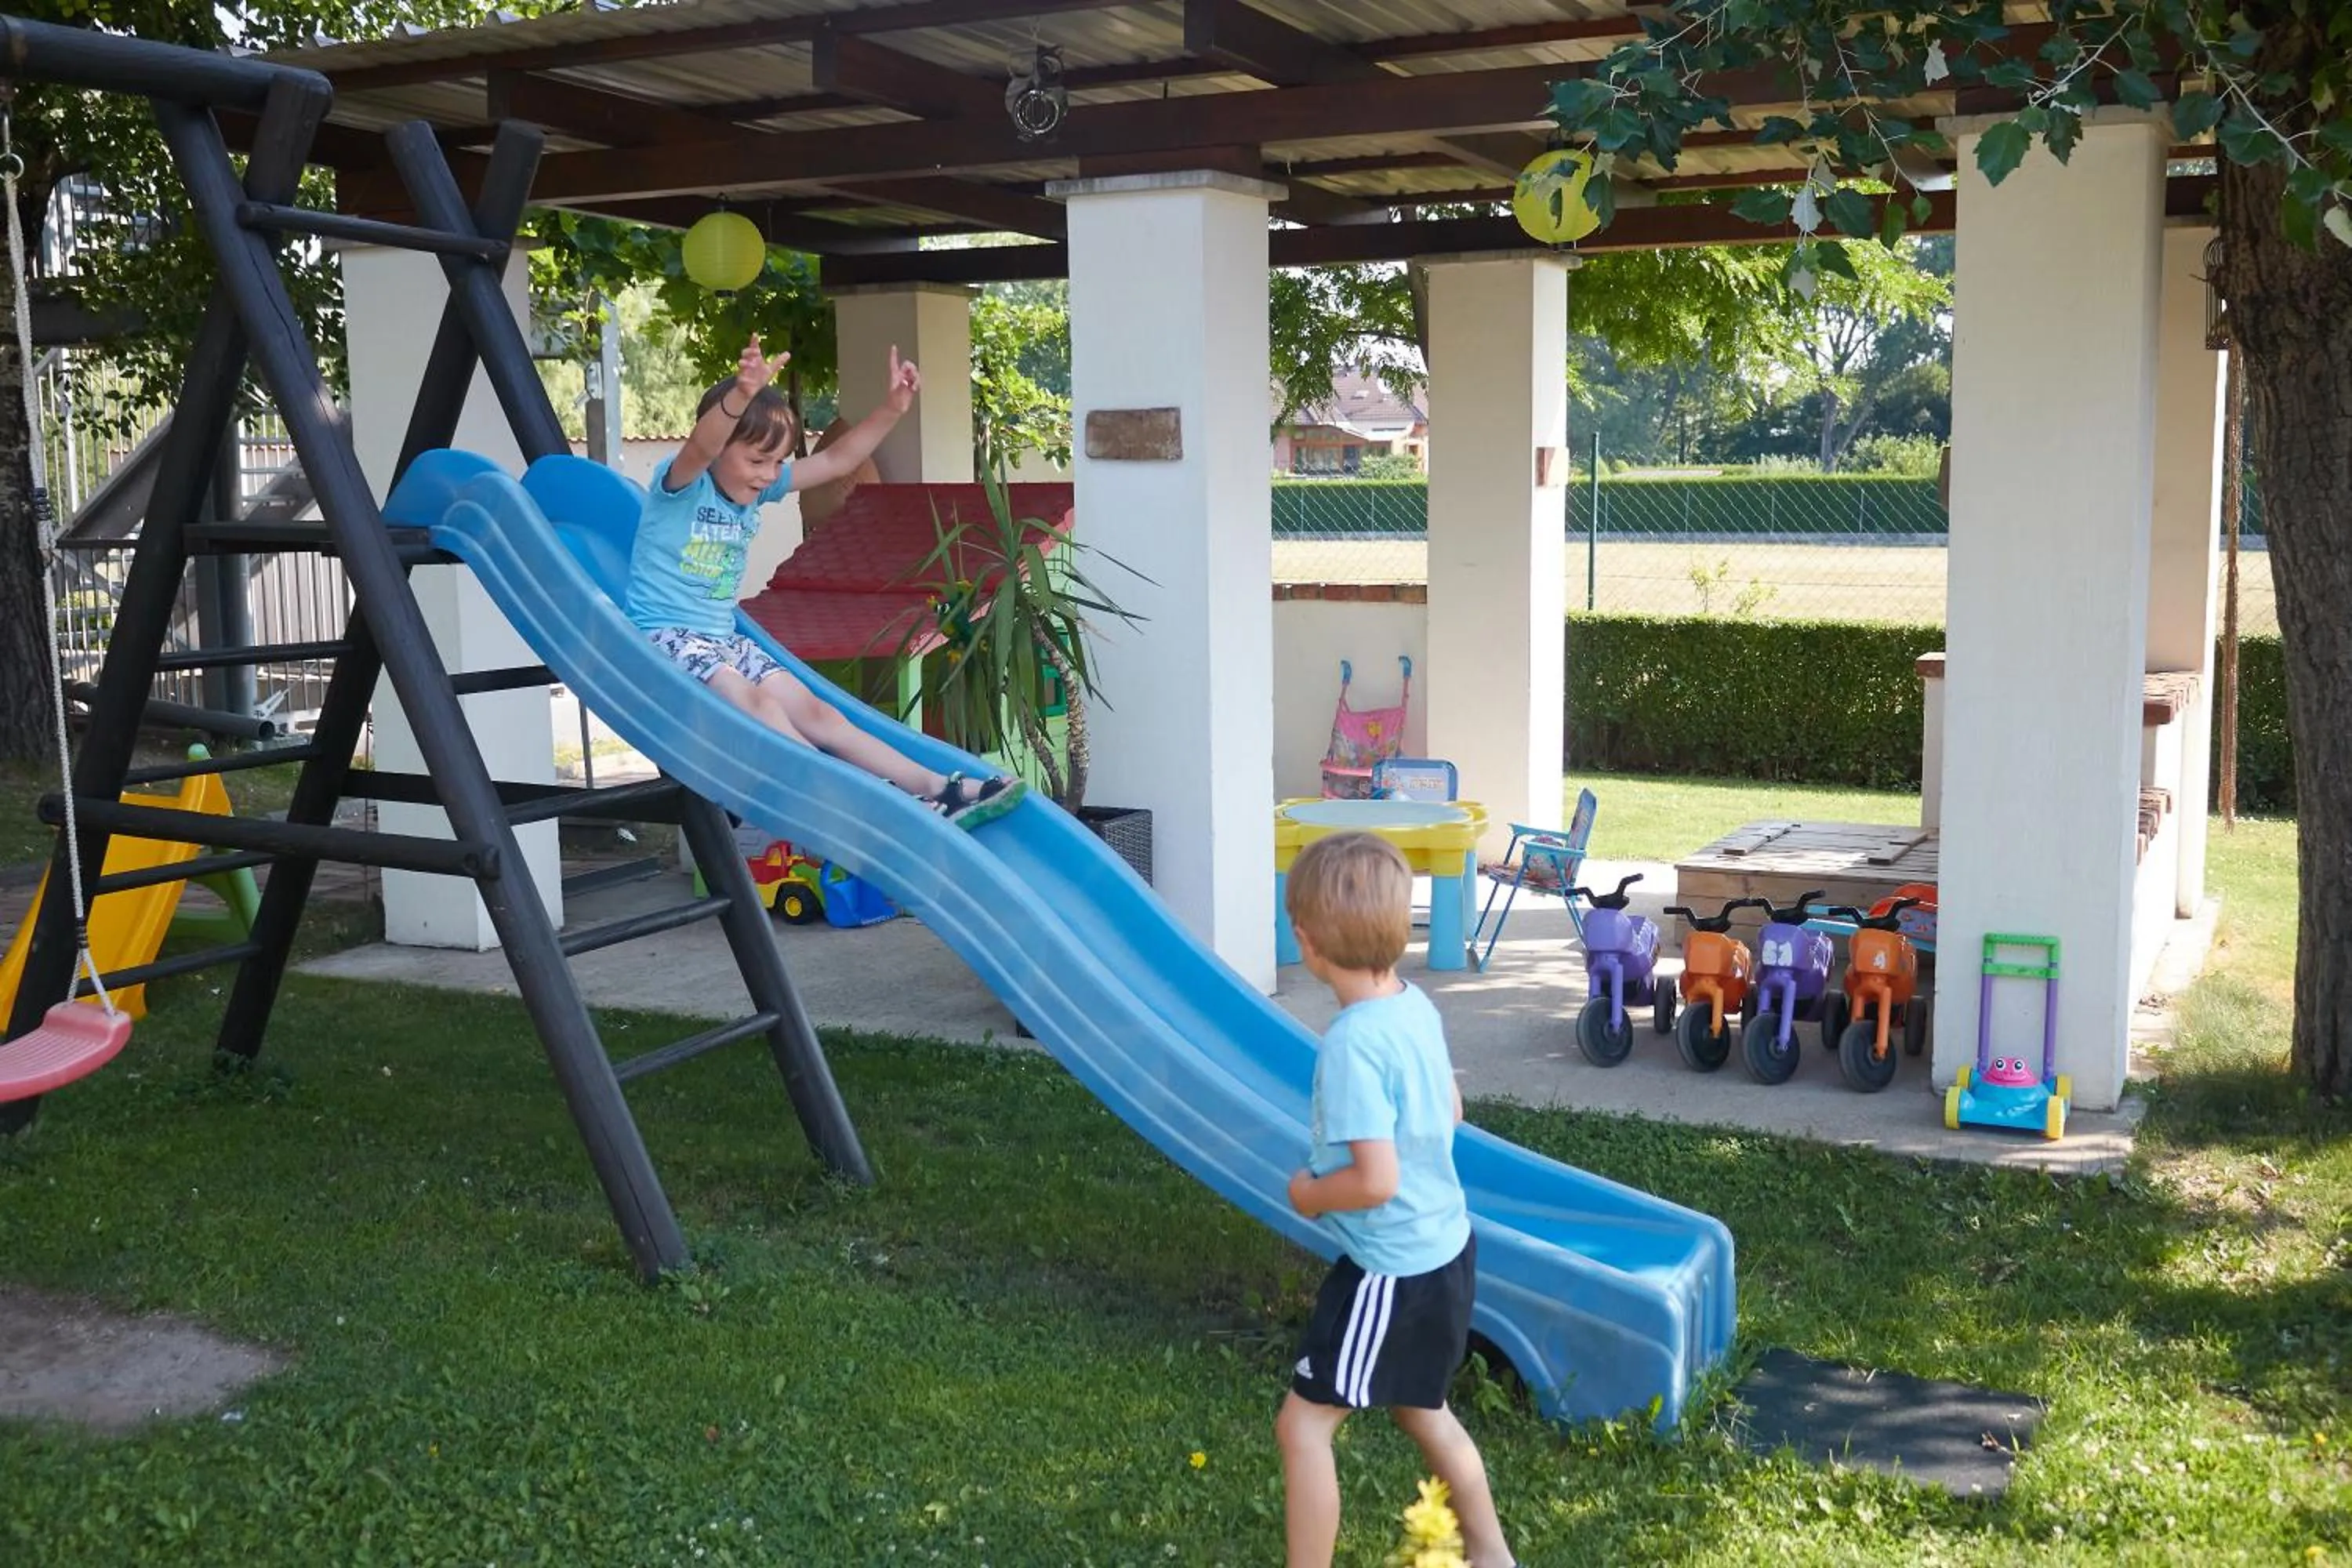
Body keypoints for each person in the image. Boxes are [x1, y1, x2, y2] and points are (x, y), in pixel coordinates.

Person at [626, 331, 1024, 828]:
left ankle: (935, 789)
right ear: (719, 453)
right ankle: (863, 800)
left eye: (776, 462)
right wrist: (740, 396)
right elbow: (702, 444)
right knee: (761, 707)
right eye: (755, 460)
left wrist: (893, 409)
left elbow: (837, 460)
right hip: (667, 637)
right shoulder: (681, 487)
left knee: (819, 715)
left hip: (723, 640)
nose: (768, 475)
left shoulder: (758, 492)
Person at [1277, 832, 1515, 1568]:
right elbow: (1451, 1109)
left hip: (1390, 1271)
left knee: (1304, 1427)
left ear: (1307, 942)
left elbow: (1376, 1181)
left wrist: (1312, 1195)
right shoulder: (1413, 1007)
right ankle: (1492, 1555)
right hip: (1446, 1249)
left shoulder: (1351, 1043)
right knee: (1423, 1407)